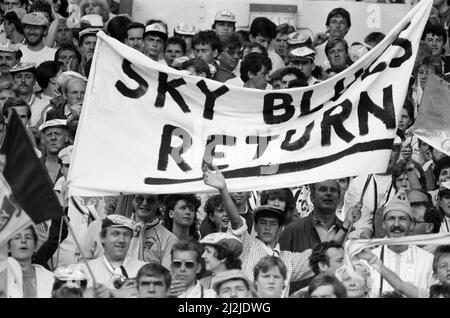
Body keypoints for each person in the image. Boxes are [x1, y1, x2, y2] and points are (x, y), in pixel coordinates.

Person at [203, 165, 315, 297]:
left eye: (273, 224)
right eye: (263, 223)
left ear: (281, 228)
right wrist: (223, 190)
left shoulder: (289, 260)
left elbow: (323, 255)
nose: (267, 227)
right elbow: (236, 221)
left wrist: (345, 226)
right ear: (255, 226)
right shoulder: (246, 244)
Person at [368, 199, 435, 298]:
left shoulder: (428, 260)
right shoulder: (368, 260)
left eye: (402, 219)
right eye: (391, 219)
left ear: (412, 225)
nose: (396, 224)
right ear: (383, 225)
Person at [75, 215, 146, 296]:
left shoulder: (143, 270)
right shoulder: (83, 271)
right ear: (102, 237)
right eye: (115, 234)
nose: (121, 240)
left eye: (126, 235)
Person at [7, 226, 55, 298]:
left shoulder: (50, 278)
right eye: (17, 237)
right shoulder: (3, 276)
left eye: (28, 237)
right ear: (8, 247)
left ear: (35, 246)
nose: (23, 240)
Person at [10, 62, 50, 127]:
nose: (23, 80)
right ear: (13, 80)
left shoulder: (46, 106)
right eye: (19, 77)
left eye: (28, 77)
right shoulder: (5, 104)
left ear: (34, 81)